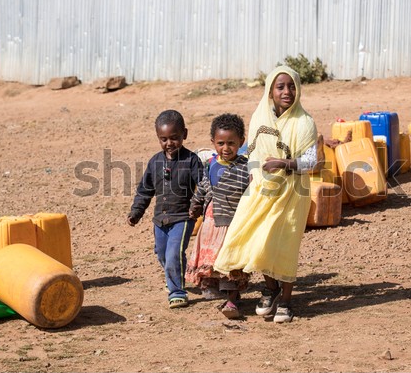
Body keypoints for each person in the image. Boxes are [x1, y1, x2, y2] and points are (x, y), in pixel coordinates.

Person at [214, 65, 319, 323]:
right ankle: (270, 290)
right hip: (262, 190)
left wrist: (283, 164)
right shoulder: (260, 118)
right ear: (270, 91)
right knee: (261, 242)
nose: (287, 91)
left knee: (284, 244)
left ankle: (285, 301)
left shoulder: (305, 123)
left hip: (293, 192)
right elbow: (254, 155)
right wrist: (256, 178)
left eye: (292, 86)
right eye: (280, 86)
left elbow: (312, 162)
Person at [127, 109, 203, 309]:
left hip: (183, 217)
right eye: (164, 139)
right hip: (160, 219)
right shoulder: (155, 162)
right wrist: (136, 212)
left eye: (174, 138)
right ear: (158, 139)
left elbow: (204, 186)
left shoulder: (192, 160)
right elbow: (145, 190)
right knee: (162, 253)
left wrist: (197, 205)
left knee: (173, 254)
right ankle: (175, 276)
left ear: (184, 134)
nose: (169, 143)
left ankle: (177, 291)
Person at [186, 113, 251, 319]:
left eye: (231, 143)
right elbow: (204, 188)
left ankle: (231, 300)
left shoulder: (246, 167)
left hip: (234, 224)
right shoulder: (211, 165)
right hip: (211, 223)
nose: (226, 148)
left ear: (241, 141)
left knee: (231, 262)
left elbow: (252, 194)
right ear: (213, 142)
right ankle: (215, 288)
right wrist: (195, 205)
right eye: (221, 143)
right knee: (213, 259)